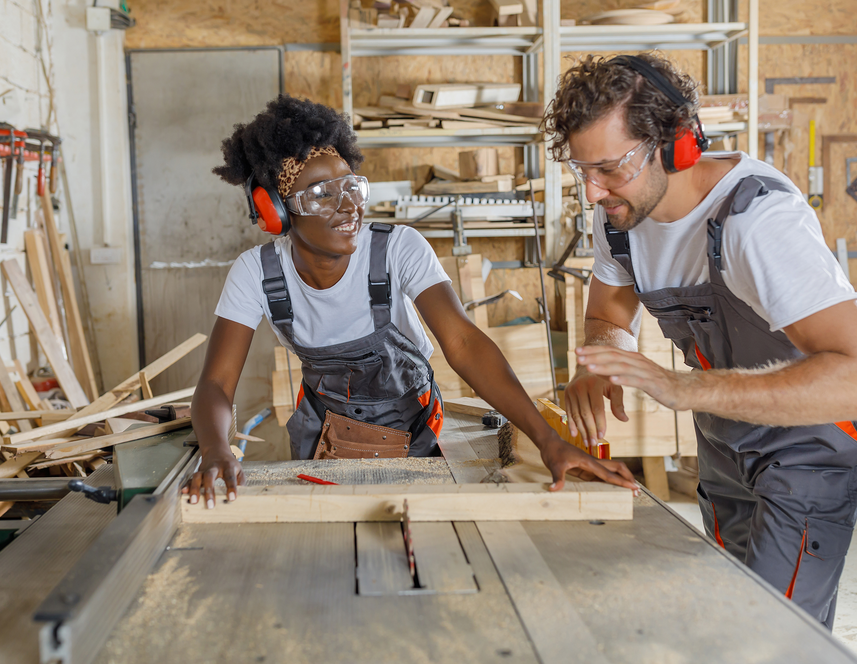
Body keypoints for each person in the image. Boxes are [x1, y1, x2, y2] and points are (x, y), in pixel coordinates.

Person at [546, 53, 857, 628]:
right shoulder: (621, 217)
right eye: (582, 171)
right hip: (727, 440)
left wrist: (684, 388)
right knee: (733, 618)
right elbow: (608, 310)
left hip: (812, 447)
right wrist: (604, 360)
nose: (591, 193)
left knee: (776, 642)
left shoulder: (756, 221)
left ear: (675, 144)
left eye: (608, 169)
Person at [185, 94, 638, 509]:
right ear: (276, 211)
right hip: (322, 440)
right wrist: (216, 450)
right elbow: (217, 385)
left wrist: (544, 439)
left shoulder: (396, 248)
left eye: (351, 186)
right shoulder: (256, 273)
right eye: (322, 194)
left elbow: (462, 343)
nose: (348, 206)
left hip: (416, 433)